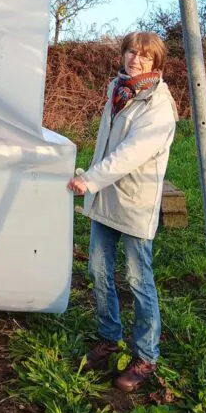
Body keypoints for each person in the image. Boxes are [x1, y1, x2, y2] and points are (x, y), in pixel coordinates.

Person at [68, 31, 177, 392]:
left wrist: (91, 179)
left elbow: (133, 151)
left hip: (133, 202)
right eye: (131, 52)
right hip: (104, 198)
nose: (136, 60)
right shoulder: (119, 90)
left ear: (156, 63)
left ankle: (146, 356)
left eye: (145, 56)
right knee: (98, 270)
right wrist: (92, 173)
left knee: (137, 279)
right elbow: (107, 144)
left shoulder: (158, 105)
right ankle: (108, 337)